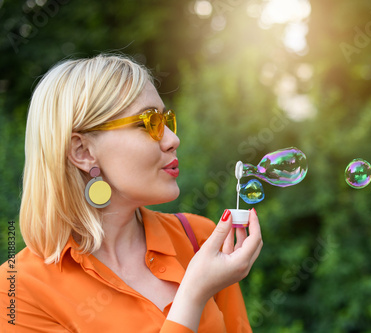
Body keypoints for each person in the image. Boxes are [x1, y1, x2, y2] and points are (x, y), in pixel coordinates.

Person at [0, 54, 263, 332]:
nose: (173, 139)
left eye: (166, 120)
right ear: (83, 152)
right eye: (148, 123)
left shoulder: (198, 238)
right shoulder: (17, 291)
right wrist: (193, 295)